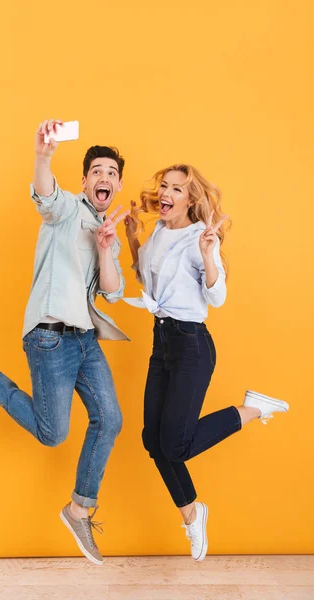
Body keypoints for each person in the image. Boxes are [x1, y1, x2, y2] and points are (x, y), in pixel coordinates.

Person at [0, 119, 130, 566]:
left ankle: (79, 508)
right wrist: (43, 156)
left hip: (85, 341)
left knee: (111, 420)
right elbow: (45, 195)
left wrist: (105, 247)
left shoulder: (105, 231)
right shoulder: (65, 209)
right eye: (97, 170)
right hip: (49, 339)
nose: (105, 177)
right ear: (84, 180)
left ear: (118, 186)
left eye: (112, 173)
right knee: (53, 434)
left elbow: (114, 288)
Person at [124, 164, 289, 561]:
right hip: (162, 340)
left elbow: (216, 298)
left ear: (190, 199)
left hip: (190, 345)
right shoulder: (161, 232)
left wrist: (208, 255)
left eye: (176, 189)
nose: (165, 193)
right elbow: (147, 281)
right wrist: (132, 239)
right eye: (164, 186)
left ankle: (250, 410)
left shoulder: (200, 237)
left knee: (175, 444)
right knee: (153, 440)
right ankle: (193, 513)